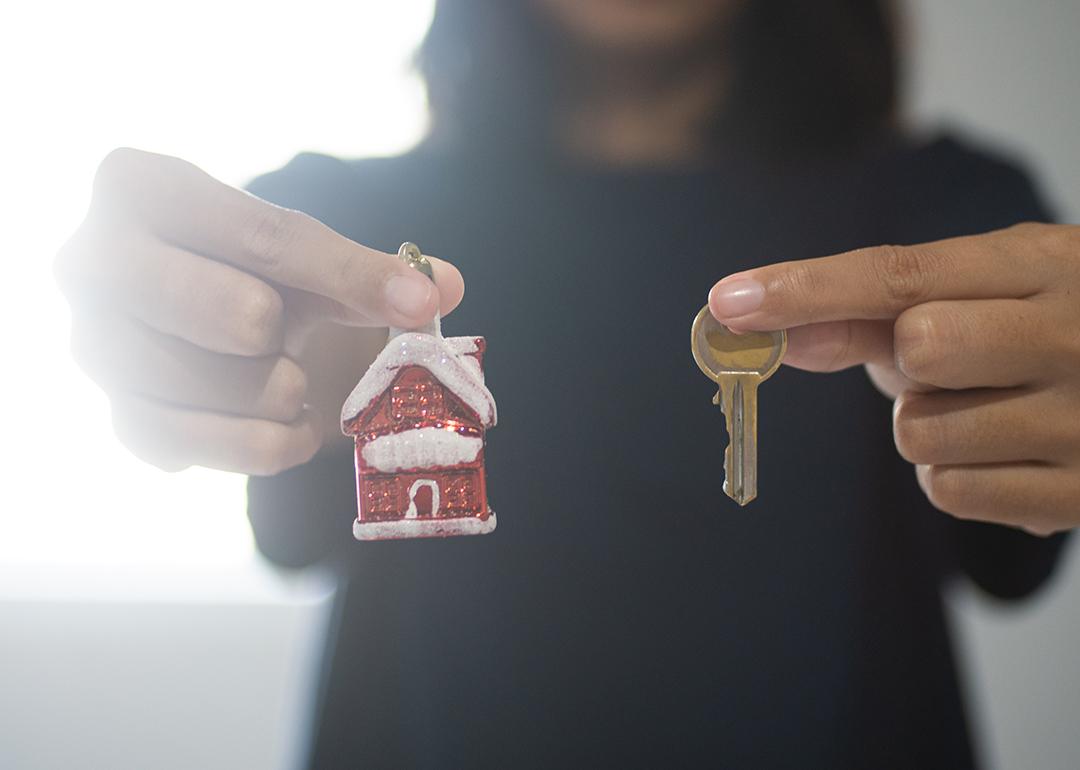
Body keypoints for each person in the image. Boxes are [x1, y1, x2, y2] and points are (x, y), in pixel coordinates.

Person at [55, 0, 1079, 767]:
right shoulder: (349, 221)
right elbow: (286, 507)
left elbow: (1013, 551)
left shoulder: (957, 213)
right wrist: (202, 330)